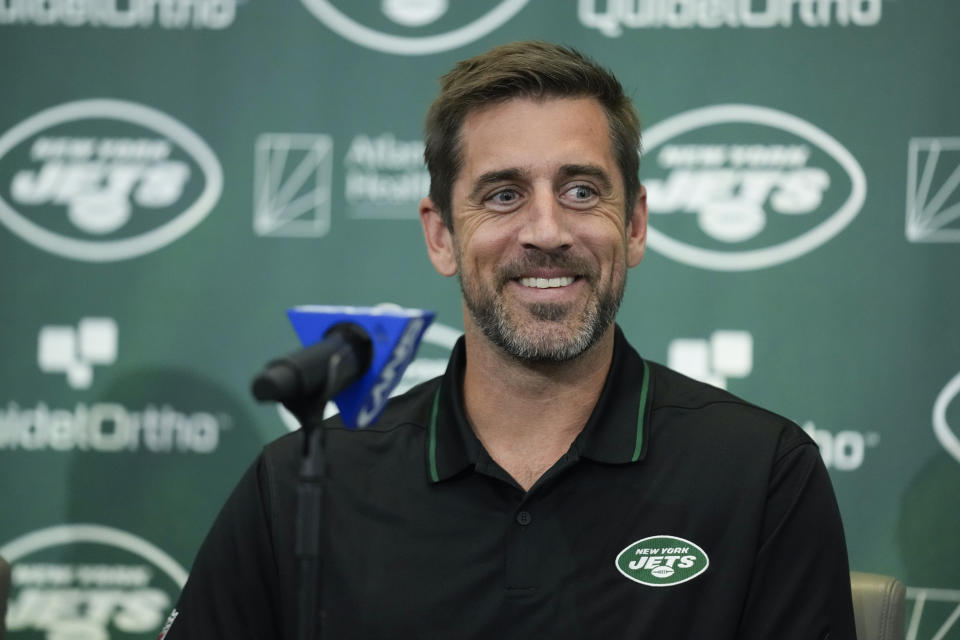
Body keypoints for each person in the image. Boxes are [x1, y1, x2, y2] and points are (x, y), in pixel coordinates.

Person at [162, 41, 857, 639]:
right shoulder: (302, 487)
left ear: (636, 224)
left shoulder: (761, 474)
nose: (548, 231)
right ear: (441, 235)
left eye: (582, 191)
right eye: (503, 195)